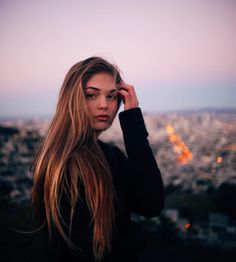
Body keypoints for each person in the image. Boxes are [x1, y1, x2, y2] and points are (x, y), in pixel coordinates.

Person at [31, 56, 164, 262]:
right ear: (73, 99)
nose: (104, 105)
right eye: (91, 95)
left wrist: (132, 121)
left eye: (112, 96)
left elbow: (151, 204)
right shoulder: (66, 165)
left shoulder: (110, 156)